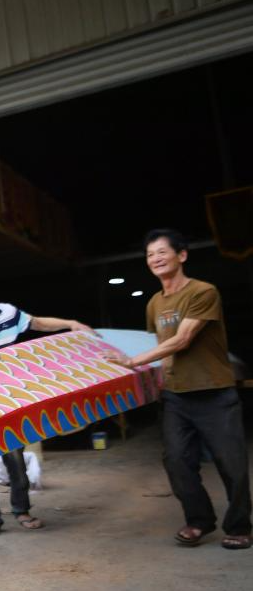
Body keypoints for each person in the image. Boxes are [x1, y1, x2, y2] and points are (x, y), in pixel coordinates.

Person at [107, 229, 250, 550]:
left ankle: (240, 526)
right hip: (176, 395)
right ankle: (199, 520)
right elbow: (161, 347)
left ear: (181, 255)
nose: (155, 259)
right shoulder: (154, 303)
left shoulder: (203, 292)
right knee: (176, 461)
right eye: (150, 255)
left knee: (232, 464)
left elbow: (182, 340)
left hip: (214, 392)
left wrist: (133, 361)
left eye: (162, 252)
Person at [0, 270, 93, 539]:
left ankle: (22, 510)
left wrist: (70, 323)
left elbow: (38, 323)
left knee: (15, 457)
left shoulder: (8, 313)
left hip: (12, 398)